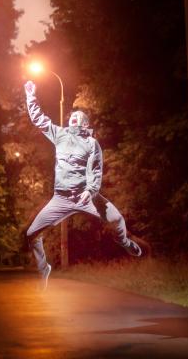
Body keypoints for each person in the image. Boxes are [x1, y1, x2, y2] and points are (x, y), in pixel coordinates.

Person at [24, 80, 142, 290]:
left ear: (85, 124)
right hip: (60, 198)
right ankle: (44, 269)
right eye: (71, 117)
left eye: (77, 118)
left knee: (116, 219)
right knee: (31, 234)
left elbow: (95, 170)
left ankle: (125, 242)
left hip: (85, 196)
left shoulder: (91, 144)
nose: (72, 119)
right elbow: (39, 120)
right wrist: (31, 96)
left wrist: (90, 191)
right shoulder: (60, 135)